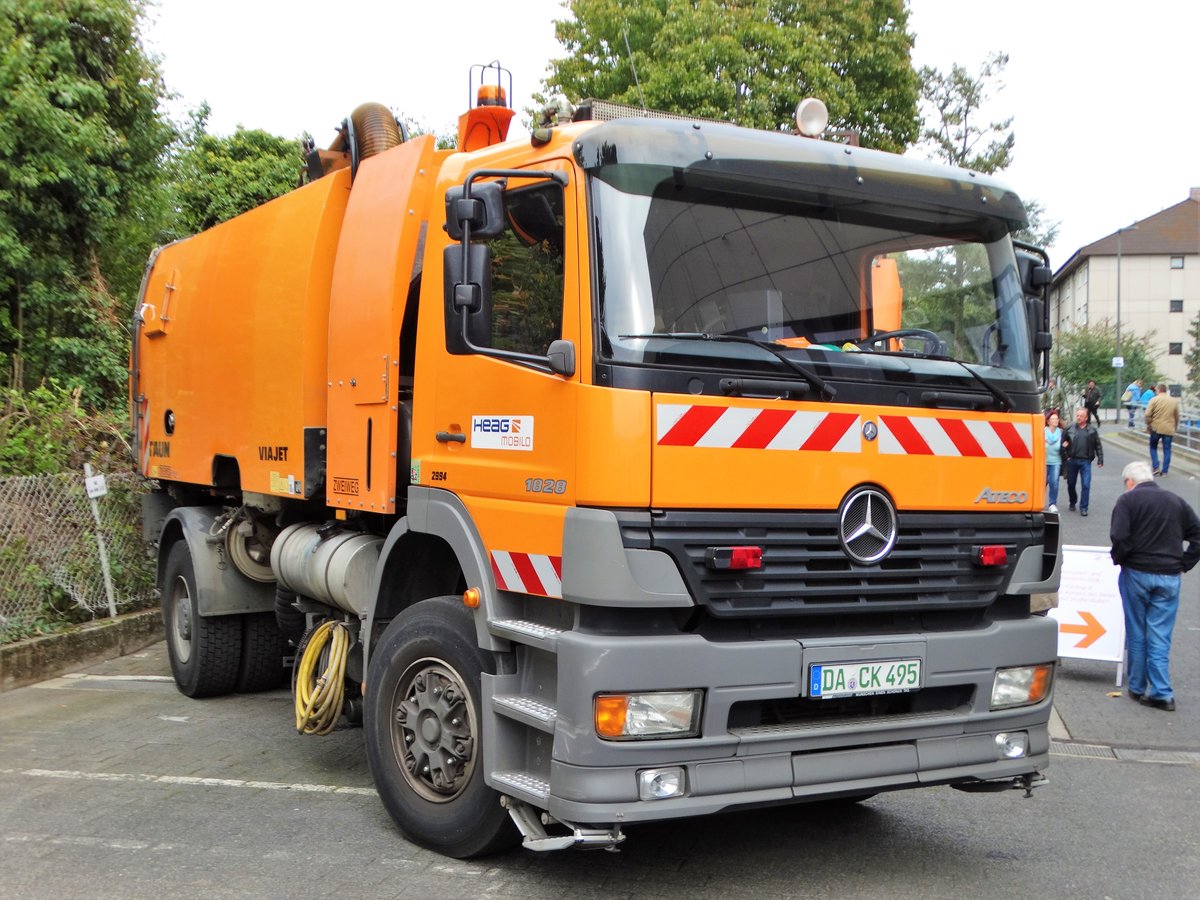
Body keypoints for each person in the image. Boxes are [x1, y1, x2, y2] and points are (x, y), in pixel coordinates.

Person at [1109, 460, 1200, 712]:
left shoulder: (1127, 501)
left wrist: (1122, 558)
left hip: (1137, 572)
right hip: (1169, 575)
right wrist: (1185, 562)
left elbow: (1119, 536)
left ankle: (1137, 687)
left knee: (1137, 629)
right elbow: (1197, 535)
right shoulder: (1176, 501)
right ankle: (1161, 691)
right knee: (1160, 633)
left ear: (1130, 482)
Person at [1061, 407, 1103, 515]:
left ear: (1086, 417)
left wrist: (1100, 459)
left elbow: (1098, 445)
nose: (1078, 417)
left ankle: (1084, 507)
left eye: (1081, 416)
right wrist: (1066, 455)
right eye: (1077, 415)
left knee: (1086, 484)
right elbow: (1062, 444)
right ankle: (1072, 501)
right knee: (1071, 483)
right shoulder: (1069, 428)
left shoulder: (1092, 431)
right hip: (1072, 460)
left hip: (1085, 461)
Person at [1143, 383, 1181, 476]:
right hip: (1169, 428)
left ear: (1158, 390)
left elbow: (1147, 414)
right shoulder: (1173, 401)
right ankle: (1165, 471)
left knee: (1153, 447)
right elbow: (1177, 416)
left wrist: (1148, 424)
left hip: (1156, 427)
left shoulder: (1154, 400)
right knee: (1167, 449)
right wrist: (1175, 427)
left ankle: (1156, 467)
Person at [1043, 411, 1062, 513]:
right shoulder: (1043, 431)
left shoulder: (1061, 432)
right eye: (1053, 419)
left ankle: (1052, 503)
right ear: (1048, 421)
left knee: (1054, 483)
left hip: (1056, 461)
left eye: (1057, 419)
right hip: (1044, 462)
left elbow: (1066, 443)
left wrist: (1066, 446)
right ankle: (1040, 501)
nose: (1055, 421)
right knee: (1042, 483)